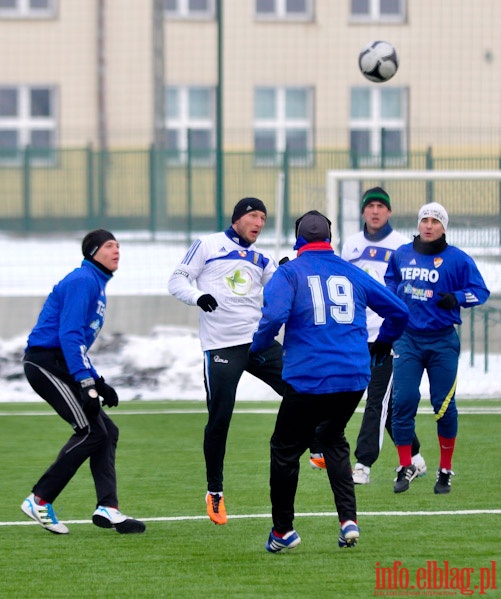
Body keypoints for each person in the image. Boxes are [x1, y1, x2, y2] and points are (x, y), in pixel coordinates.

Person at [250, 210, 409, 553]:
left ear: (298, 239)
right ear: (330, 238)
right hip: (353, 378)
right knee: (332, 438)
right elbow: (400, 311)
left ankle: (283, 532)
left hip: (308, 379)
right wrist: (384, 341)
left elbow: (274, 316)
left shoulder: (289, 272)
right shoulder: (352, 271)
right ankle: (348, 520)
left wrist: (258, 348)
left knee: (285, 449)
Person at [168, 197, 286, 526]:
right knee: (220, 418)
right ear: (237, 219)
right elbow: (176, 281)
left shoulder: (263, 258)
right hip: (221, 345)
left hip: (258, 341)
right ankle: (215, 491)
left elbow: (279, 290)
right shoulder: (207, 245)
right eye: (253, 215)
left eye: (263, 217)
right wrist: (197, 296)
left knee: (300, 388)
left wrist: (288, 273)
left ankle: (318, 445)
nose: (259, 222)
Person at [20, 229, 145, 535]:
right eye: (109, 246)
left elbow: (76, 345)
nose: (117, 250)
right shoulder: (82, 280)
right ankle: (39, 499)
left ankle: (108, 507)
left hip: (62, 362)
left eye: (119, 245)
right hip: (46, 362)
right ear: (92, 252)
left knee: (107, 431)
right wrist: (86, 383)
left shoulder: (96, 284)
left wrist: (98, 382)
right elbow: (70, 335)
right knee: (90, 430)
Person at [385, 203, 490, 494]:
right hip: (408, 339)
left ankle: (444, 470)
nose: (429, 226)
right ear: (419, 224)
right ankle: (406, 465)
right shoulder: (402, 254)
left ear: (444, 227)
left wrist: (456, 297)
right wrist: (396, 296)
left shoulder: (458, 259)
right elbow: (390, 280)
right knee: (403, 401)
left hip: (443, 341)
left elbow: (481, 291)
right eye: (424, 220)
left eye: (435, 221)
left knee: (443, 406)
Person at [340, 187, 426, 484]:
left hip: (388, 337)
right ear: (363, 211)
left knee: (375, 400)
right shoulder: (350, 245)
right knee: (381, 403)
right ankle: (414, 456)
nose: (375, 211)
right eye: (370, 206)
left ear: (388, 212)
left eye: (381, 206)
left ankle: (363, 465)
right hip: (355, 335)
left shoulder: (402, 246)